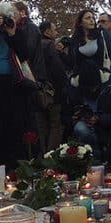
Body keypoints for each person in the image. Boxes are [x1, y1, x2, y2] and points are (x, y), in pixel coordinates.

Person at [0, 2, 38, 170]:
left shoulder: (18, 32)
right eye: (0, 18)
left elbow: (25, 54)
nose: (3, 22)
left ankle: (14, 163)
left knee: (14, 122)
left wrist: (12, 34)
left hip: (14, 83)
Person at [67, 64, 111, 160]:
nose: (92, 91)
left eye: (94, 87)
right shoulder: (72, 89)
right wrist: (73, 118)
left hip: (106, 126)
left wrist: (99, 118)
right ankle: (91, 158)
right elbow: (64, 114)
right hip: (83, 127)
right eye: (88, 89)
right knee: (81, 129)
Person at [68, 10, 111, 85]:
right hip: (82, 80)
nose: (92, 20)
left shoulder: (101, 34)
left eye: (93, 18)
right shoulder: (75, 40)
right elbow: (72, 60)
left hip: (103, 78)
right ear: (80, 23)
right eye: (88, 18)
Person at [39, 20, 68, 151]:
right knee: (55, 124)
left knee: (42, 126)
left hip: (38, 91)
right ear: (47, 31)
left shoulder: (34, 45)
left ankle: (41, 155)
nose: (56, 33)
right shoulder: (49, 45)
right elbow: (58, 70)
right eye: (54, 30)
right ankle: (51, 156)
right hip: (53, 92)